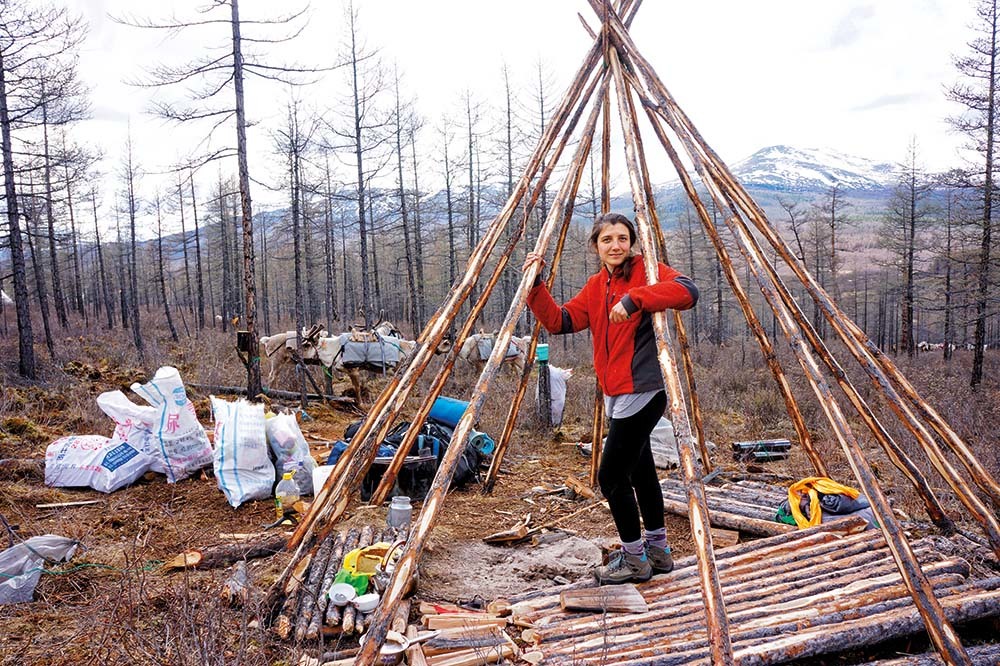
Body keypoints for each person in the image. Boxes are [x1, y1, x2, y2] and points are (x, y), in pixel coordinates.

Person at [523, 212, 698, 585]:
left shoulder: (647, 272)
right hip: (615, 389)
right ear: (596, 246)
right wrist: (535, 286)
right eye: (607, 240)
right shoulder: (596, 285)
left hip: (643, 387)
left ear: (631, 242)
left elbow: (687, 291)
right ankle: (659, 551)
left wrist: (637, 299)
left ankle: (634, 557)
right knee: (640, 469)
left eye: (622, 238)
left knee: (610, 475)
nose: (615, 245)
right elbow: (560, 321)